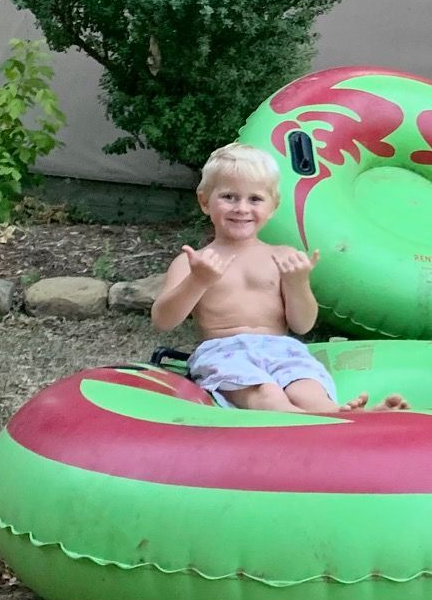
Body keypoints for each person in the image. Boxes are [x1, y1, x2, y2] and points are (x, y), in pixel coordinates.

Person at [152, 142, 407, 413]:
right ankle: (311, 422)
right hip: (224, 352)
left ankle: (343, 417)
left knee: (309, 390)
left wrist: (298, 283)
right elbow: (163, 320)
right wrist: (198, 280)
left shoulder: (283, 257)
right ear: (205, 201)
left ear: (273, 206)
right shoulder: (194, 262)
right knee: (266, 394)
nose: (241, 208)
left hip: (283, 350)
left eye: (255, 199)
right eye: (229, 197)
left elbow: (302, 325)